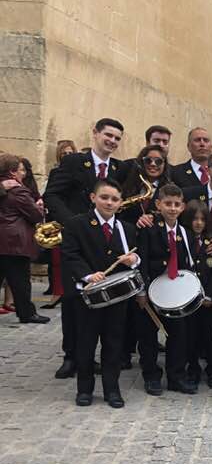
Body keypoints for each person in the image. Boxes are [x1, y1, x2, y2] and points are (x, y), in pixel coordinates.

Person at [44, 118, 130, 379]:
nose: (112, 141)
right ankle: (72, 356)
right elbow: (52, 195)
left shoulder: (118, 168)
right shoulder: (73, 162)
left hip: (105, 244)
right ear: (95, 133)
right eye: (108, 135)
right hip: (76, 239)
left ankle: (102, 356)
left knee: (104, 302)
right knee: (73, 300)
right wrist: (72, 222)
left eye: (117, 138)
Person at [61, 179, 141, 407]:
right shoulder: (77, 224)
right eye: (104, 197)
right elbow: (71, 254)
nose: (109, 202)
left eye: (115, 199)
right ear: (93, 198)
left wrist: (133, 259)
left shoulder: (126, 229)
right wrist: (87, 275)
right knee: (85, 344)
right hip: (87, 296)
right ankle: (84, 389)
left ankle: (112, 389)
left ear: (120, 203)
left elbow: (136, 257)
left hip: (116, 297)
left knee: (114, 343)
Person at [136, 183, 197, 395]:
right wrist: (141, 292)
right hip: (152, 291)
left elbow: (188, 264)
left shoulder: (185, 233)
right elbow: (141, 262)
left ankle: (176, 376)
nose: (172, 208)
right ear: (158, 205)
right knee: (148, 337)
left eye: (176, 204)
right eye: (168, 204)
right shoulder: (149, 229)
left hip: (175, 294)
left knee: (178, 335)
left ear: (183, 207)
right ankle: (151, 376)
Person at [0, 155, 48, 323]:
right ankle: (27, 313)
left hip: (3, 241)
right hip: (14, 242)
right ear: (12, 172)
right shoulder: (18, 190)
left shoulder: (4, 188)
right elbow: (35, 215)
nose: (24, 173)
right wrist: (40, 208)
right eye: (21, 170)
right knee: (21, 281)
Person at [182, 199, 212, 388]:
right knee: (189, 337)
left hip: (207, 302)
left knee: (208, 337)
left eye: (202, 219)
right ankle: (193, 369)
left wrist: (209, 296)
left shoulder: (211, 243)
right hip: (188, 301)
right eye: (194, 219)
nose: (198, 223)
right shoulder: (183, 241)